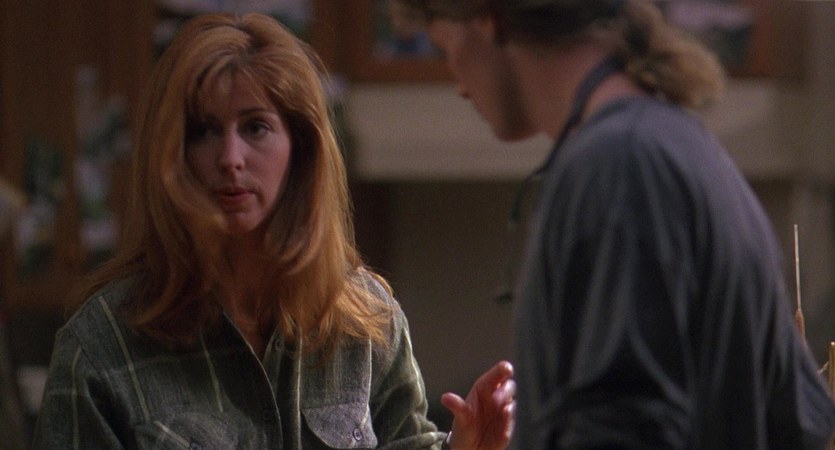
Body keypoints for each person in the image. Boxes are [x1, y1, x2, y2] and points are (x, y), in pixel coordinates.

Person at [31, 13, 515, 449]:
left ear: (300, 149)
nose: (230, 158)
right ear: (173, 153)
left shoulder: (366, 321)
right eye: (203, 131)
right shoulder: (102, 345)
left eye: (256, 128)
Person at [396, 0, 835, 448]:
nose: (459, 85)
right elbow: (802, 418)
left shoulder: (620, 168)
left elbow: (622, 431)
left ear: (488, 24)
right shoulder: (683, 149)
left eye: (445, 48)